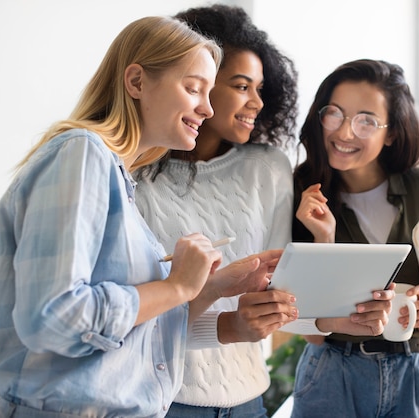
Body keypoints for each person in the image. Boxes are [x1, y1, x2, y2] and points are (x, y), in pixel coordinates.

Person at [0, 16, 283, 418]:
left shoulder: (118, 177)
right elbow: (55, 318)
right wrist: (177, 287)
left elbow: (122, 335)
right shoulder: (80, 154)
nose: (206, 106)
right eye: (193, 88)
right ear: (136, 82)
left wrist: (211, 287)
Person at [290, 59, 419, 418]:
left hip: (417, 374)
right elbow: (306, 325)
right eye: (334, 113)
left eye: (366, 120)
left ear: (391, 133)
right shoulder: (300, 194)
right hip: (333, 375)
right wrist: (324, 240)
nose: (345, 132)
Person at [134, 5, 300, 417]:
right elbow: (128, 309)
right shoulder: (132, 171)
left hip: (248, 399)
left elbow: (281, 286)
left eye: (261, 88)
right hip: (160, 396)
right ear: (201, 83)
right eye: (242, 86)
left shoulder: (269, 168)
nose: (256, 102)